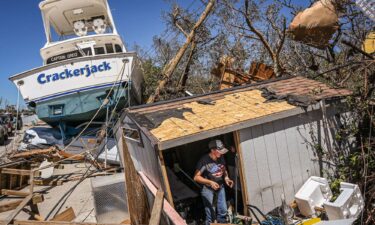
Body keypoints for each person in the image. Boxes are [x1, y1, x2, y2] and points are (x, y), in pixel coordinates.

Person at [194, 139, 234, 225]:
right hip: (207, 189)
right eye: (219, 151)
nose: (222, 153)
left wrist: (226, 178)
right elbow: (196, 177)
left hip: (220, 186)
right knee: (210, 212)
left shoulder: (221, 157)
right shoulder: (204, 161)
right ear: (212, 150)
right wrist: (210, 182)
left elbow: (223, 168)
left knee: (223, 210)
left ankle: (222, 223)